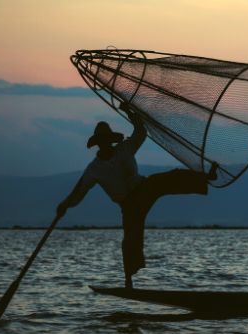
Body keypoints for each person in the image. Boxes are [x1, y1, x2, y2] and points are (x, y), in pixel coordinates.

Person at [56, 103, 218, 288]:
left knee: (171, 178)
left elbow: (140, 132)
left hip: (143, 188)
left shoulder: (124, 148)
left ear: (111, 140)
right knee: (130, 239)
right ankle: (129, 281)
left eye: (107, 140)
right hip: (129, 204)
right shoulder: (94, 170)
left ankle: (206, 177)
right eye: (102, 141)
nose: (106, 143)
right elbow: (79, 192)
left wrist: (129, 113)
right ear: (98, 144)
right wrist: (64, 205)